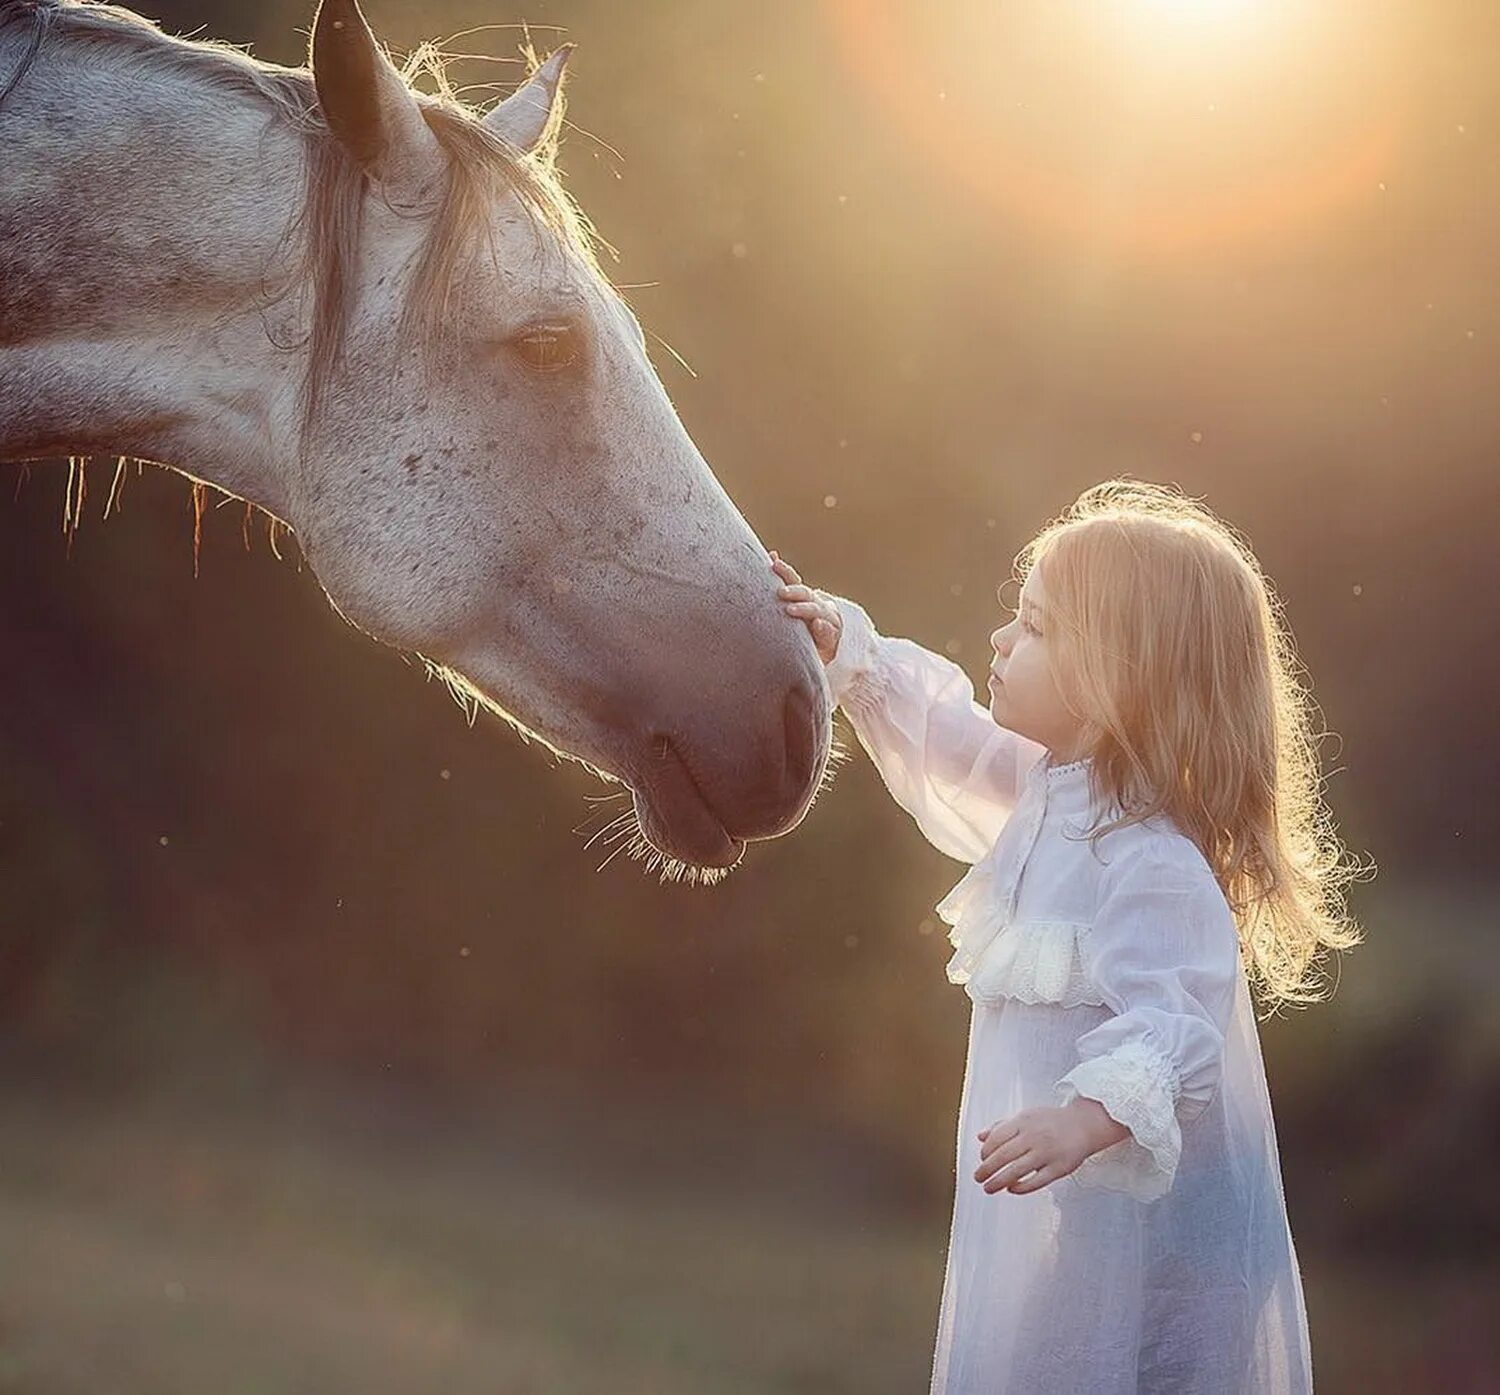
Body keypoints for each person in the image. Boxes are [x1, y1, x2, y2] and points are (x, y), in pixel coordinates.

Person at [772, 478, 1364, 1394]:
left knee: (1107, 1366)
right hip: (1072, 1211)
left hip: (1152, 1229)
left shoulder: (1151, 861)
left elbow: (1173, 1027)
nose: (1003, 640)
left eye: (1038, 626)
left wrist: (1083, 1119)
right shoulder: (1050, 791)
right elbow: (954, 746)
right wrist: (853, 654)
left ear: (1121, 670)